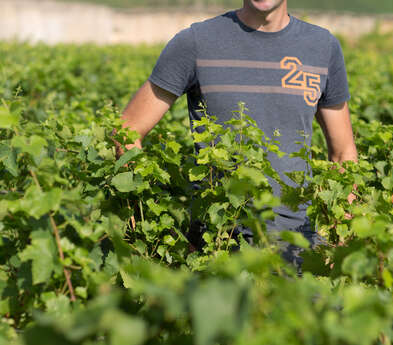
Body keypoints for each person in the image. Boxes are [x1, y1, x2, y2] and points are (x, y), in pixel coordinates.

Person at [119, 0, 358, 267]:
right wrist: (156, 223)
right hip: (218, 243)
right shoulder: (197, 42)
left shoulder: (322, 47)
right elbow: (127, 131)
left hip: (298, 243)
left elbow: (343, 153)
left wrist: (342, 239)